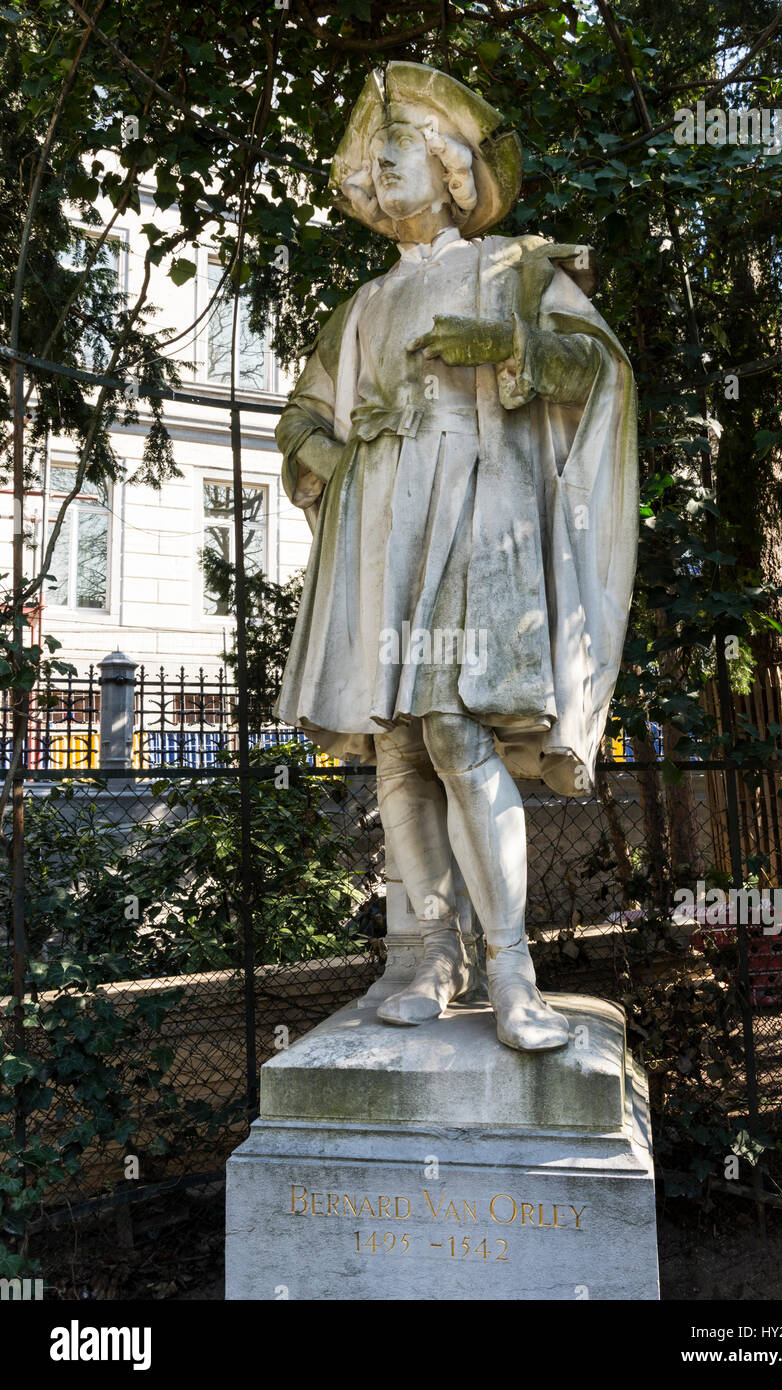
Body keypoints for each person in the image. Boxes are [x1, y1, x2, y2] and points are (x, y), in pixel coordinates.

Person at [274, 62, 638, 1051]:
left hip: (474, 521)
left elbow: (594, 374)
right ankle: (426, 954)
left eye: (391, 158)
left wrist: (506, 347)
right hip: (378, 525)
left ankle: (510, 966)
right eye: (364, 167)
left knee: (451, 727)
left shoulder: (516, 268)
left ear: (446, 170)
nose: (373, 177)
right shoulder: (359, 307)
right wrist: (325, 451)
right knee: (395, 742)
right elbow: (302, 417)